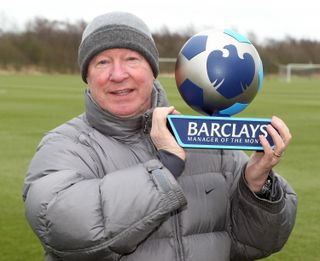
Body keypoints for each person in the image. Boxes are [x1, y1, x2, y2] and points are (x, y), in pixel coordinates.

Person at [23, 11, 297, 261]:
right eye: (102, 62)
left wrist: (257, 186)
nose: (118, 74)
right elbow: (62, 228)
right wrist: (164, 167)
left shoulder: (207, 140)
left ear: (152, 70)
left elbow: (258, 243)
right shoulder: (64, 146)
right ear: (87, 76)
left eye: (132, 59)